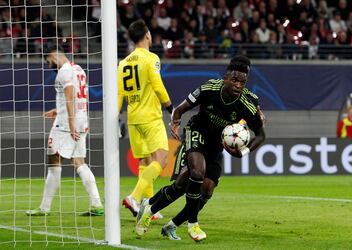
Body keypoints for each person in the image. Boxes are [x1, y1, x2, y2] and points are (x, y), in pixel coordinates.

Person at [135, 55, 266, 241]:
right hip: (196, 132)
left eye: (242, 82)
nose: (238, 85)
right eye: (235, 80)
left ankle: (164, 219)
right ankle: (193, 225)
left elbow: (261, 135)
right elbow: (180, 109)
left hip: (216, 145)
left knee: (205, 189)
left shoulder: (247, 103)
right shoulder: (210, 88)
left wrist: (243, 152)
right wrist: (175, 122)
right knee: (197, 173)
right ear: (225, 78)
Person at [26, 45, 104, 216]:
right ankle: (97, 205)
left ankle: (44, 208)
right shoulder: (79, 69)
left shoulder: (64, 71)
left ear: (54, 56)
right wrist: (58, 110)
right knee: (79, 162)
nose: (48, 66)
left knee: (53, 159)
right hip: (82, 119)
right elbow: (79, 96)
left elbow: (70, 96)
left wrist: (70, 123)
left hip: (67, 124)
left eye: (48, 62)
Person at [118, 19, 174, 218]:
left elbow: (119, 94)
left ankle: (148, 207)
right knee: (163, 159)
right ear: (147, 35)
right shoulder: (151, 58)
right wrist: (170, 107)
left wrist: (117, 117)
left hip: (133, 118)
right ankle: (134, 196)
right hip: (150, 117)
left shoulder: (123, 63)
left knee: (145, 160)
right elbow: (157, 85)